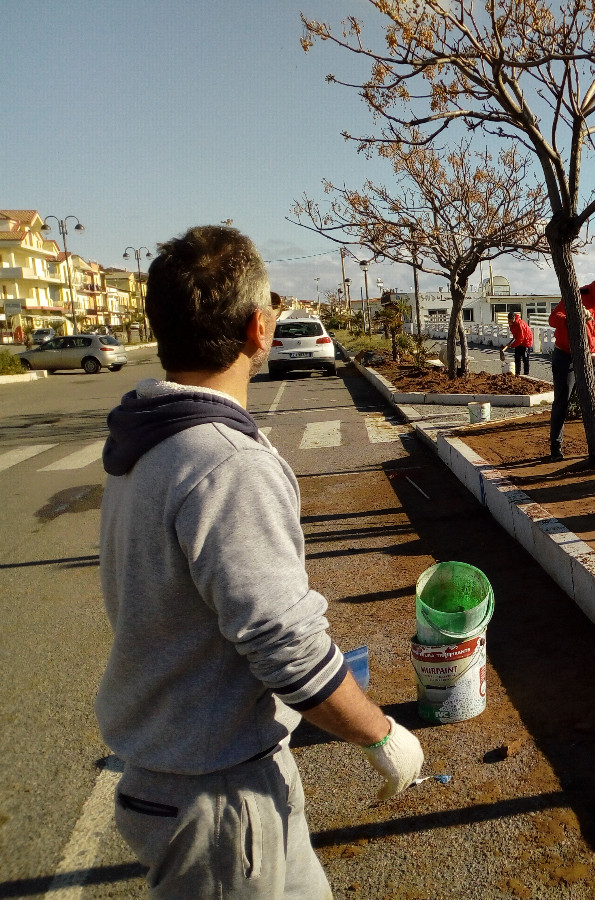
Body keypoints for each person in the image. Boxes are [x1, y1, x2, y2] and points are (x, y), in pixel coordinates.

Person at [96, 225, 424, 900]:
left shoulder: (148, 441)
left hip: (185, 773)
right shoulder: (227, 464)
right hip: (219, 798)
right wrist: (382, 736)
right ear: (258, 329)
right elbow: (285, 646)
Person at [546, 265, 595, 461]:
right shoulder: (578, 296)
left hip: (589, 357)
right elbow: (553, 319)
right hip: (566, 355)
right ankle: (555, 446)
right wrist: (572, 318)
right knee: (562, 400)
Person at [501, 310, 533, 375]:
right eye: (508, 321)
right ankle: (517, 373)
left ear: (514, 318)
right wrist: (512, 342)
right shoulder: (511, 324)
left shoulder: (520, 324)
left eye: (511, 321)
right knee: (517, 358)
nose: (509, 322)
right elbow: (516, 335)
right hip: (518, 340)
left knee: (525, 359)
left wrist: (512, 345)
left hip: (526, 341)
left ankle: (526, 375)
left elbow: (521, 338)